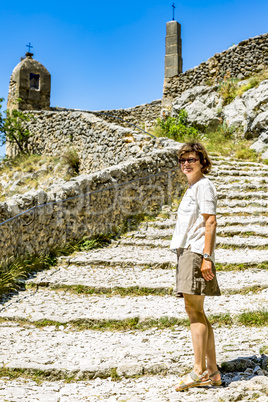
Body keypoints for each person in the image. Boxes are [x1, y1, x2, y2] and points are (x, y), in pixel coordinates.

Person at [170, 141, 222, 391]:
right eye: (182, 160)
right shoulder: (194, 187)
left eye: (191, 159)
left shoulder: (203, 186)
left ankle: (199, 371)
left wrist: (206, 257)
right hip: (188, 253)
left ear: (203, 161)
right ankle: (212, 372)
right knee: (198, 313)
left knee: (194, 313)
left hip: (195, 253)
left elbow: (210, 222)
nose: (186, 164)